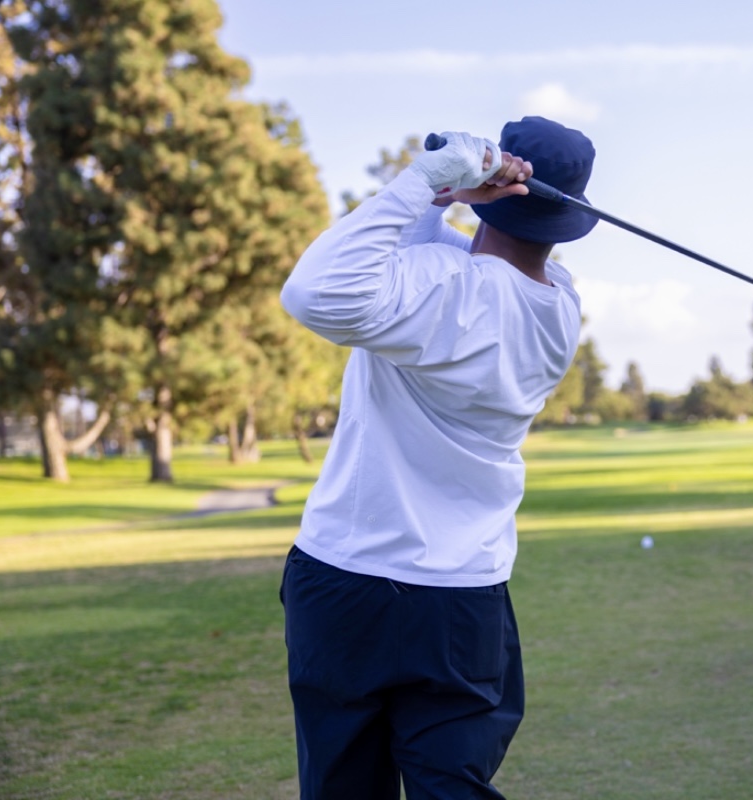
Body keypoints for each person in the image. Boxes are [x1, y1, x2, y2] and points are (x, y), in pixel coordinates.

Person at [278, 116, 598, 799]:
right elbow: (459, 263)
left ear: (502, 187)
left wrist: (431, 183)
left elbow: (312, 290)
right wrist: (449, 199)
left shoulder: (439, 284)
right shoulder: (561, 307)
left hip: (348, 584)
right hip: (463, 599)